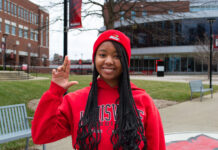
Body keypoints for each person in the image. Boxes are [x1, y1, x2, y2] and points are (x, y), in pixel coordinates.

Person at [32, 29, 166, 150]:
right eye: (102, 55)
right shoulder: (75, 101)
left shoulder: (143, 100)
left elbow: (157, 146)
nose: (108, 61)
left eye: (117, 56)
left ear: (126, 61)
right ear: (94, 59)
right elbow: (41, 135)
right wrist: (55, 92)